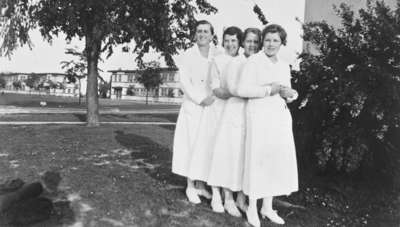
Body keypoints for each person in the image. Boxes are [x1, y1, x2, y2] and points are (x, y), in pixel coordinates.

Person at [236, 24, 298, 227]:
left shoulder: (283, 64)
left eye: (276, 41)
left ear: (281, 43)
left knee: (274, 161)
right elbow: (242, 89)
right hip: (259, 116)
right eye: (268, 40)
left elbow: (286, 90)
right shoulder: (254, 61)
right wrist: (267, 90)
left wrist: (291, 95)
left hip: (278, 118)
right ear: (263, 41)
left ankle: (267, 207)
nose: (271, 44)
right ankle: (252, 207)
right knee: (257, 160)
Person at [207, 27, 262, 217]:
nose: (252, 45)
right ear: (242, 43)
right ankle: (225, 197)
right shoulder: (235, 62)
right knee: (228, 155)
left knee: (242, 157)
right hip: (233, 111)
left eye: (255, 42)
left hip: (250, 114)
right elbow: (231, 88)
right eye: (248, 41)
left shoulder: (256, 62)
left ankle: (240, 197)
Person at [171, 20, 220, 204]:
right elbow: (185, 82)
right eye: (199, 31)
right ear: (195, 34)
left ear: (212, 35)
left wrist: (213, 98)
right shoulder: (187, 55)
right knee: (191, 146)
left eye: (206, 31)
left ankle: (201, 185)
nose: (202, 34)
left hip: (212, 106)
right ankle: (190, 186)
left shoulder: (218, 53)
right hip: (193, 107)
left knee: (206, 146)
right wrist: (201, 99)